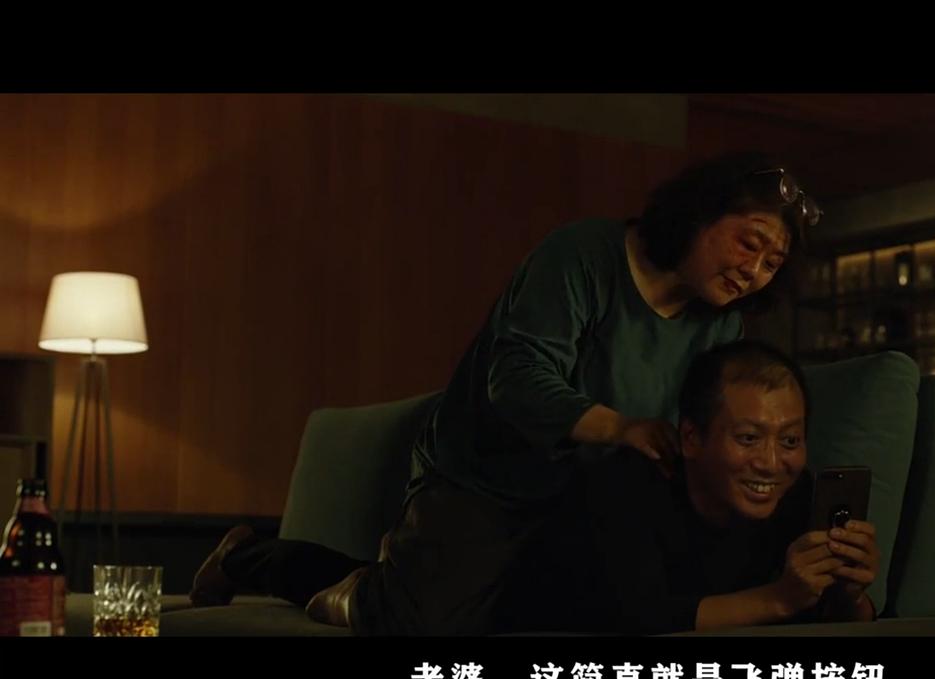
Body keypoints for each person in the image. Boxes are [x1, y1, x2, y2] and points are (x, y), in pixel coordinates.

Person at [190, 152, 824, 635]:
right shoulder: (583, 255)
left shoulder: (721, 324)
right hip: (487, 480)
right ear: (699, 214)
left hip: (595, 496)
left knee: (544, 611)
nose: (754, 270)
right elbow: (516, 380)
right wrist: (622, 427)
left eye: (772, 263)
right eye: (749, 242)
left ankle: (399, 576)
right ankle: (251, 558)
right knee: (418, 623)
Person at [495, 340, 879, 635]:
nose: (772, 462)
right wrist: (779, 599)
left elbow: (821, 618)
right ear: (691, 438)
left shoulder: (792, 492)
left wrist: (850, 594)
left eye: (790, 440)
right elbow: (640, 619)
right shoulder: (627, 486)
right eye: (748, 438)